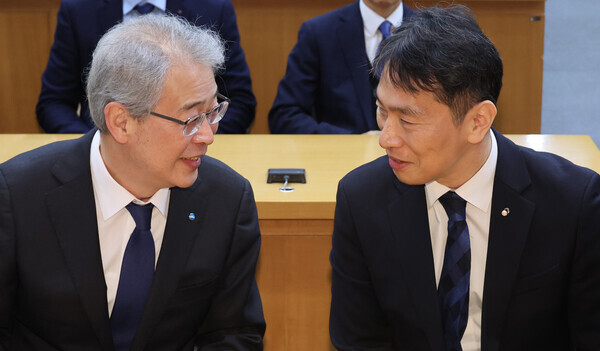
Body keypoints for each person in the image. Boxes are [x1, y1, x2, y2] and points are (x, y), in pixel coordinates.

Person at [329, 5, 600, 351]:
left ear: (477, 121)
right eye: (382, 110)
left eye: (408, 121)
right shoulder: (361, 200)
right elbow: (358, 340)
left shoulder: (572, 203)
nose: (386, 138)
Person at [0, 15, 265, 350]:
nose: (208, 136)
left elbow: (235, 334)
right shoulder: (17, 197)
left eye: (213, 112)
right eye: (192, 118)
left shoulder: (227, 200)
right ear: (121, 122)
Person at [36, 0, 256, 134]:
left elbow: (239, 101)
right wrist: (96, 147)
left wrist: (199, 137)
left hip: (189, 145)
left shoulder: (212, 8)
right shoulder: (78, 9)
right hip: (106, 146)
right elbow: (53, 103)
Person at [268, 0, 414, 134]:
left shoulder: (432, 33)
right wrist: (351, 140)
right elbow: (285, 116)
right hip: (341, 157)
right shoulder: (318, 33)